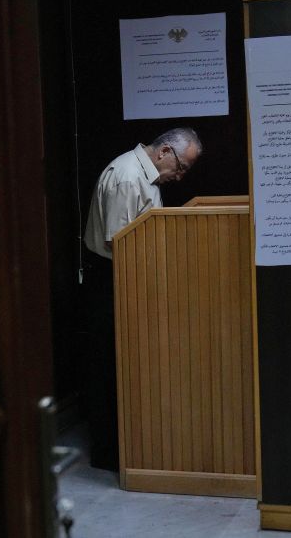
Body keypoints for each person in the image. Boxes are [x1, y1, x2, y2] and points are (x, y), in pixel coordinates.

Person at [81, 127, 202, 471]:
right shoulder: (128, 177)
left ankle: (130, 449)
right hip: (112, 281)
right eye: (181, 167)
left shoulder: (142, 175)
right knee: (111, 368)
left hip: (128, 278)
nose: (179, 177)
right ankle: (112, 454)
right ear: (165, 151)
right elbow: (119, 244)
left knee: (123, 367)